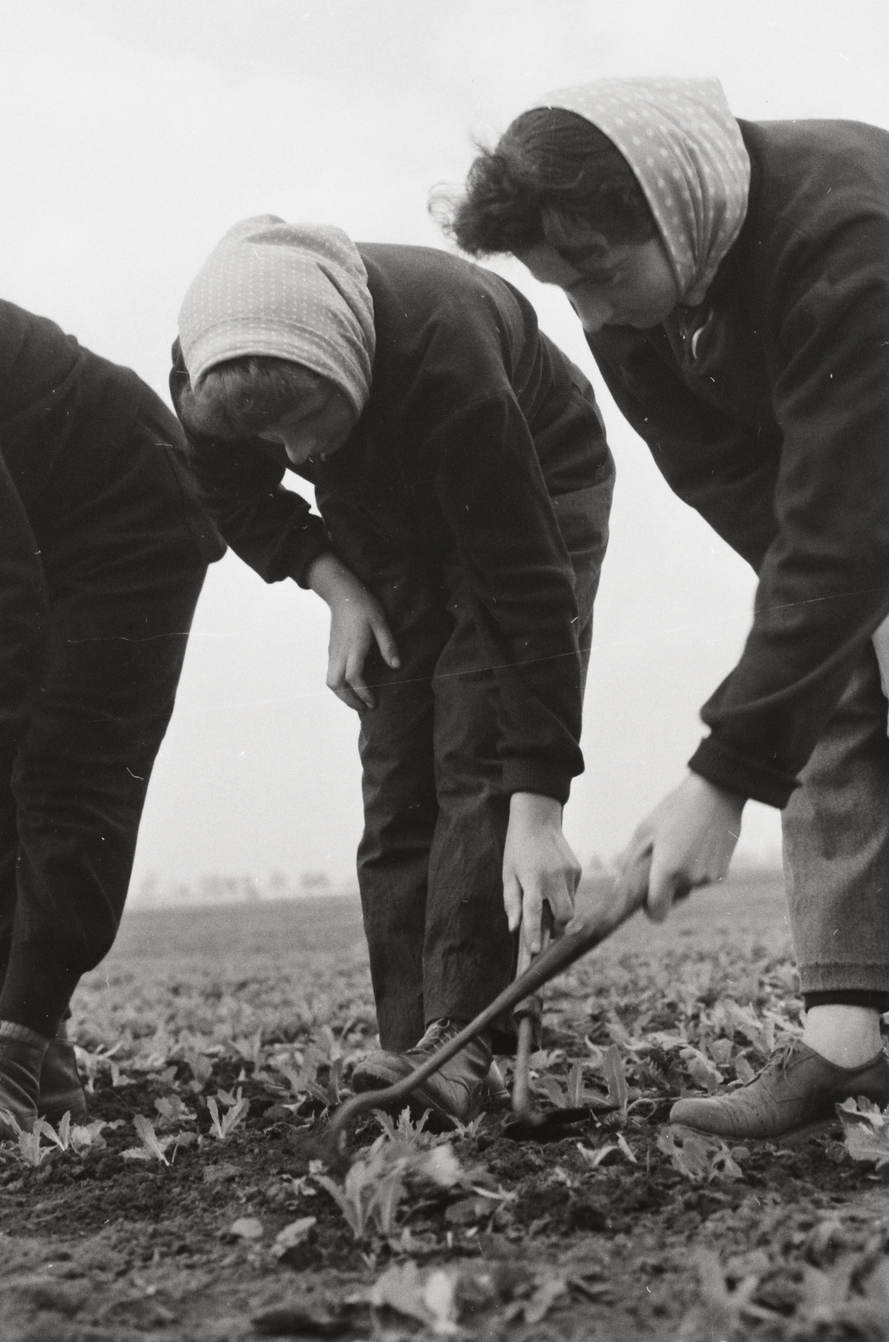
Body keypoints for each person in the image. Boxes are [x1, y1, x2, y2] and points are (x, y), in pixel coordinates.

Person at [447, 76, 889, 1138]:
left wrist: (721, 779)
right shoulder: (631, 300)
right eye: (566, 292)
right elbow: (728, 474)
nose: (591, 315)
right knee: (829, 680)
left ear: (674, 213)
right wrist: (865, 616)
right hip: (855, 441)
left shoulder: (838, 229)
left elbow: (849, 523)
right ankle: (842, 1046)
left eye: (597, 277)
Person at [171, 217, 612, 1128]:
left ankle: (460, 1038)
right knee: (397, 753)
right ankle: (413, 1044)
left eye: (306, 424)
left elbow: (528, 592)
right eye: (274, 436)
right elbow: (226, 487)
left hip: (531, 478)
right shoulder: (216, 374)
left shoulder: (452, 370)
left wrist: (538, 803)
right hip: (381, 494)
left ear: (350, 367)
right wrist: (331, 581)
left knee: (475, 740)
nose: (293, 456)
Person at [0, 281, 223, 1142]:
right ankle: (38, 1055)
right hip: (10, 536)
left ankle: (15, 1066)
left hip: (123, 514)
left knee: (66, 766)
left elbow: (3, 601)